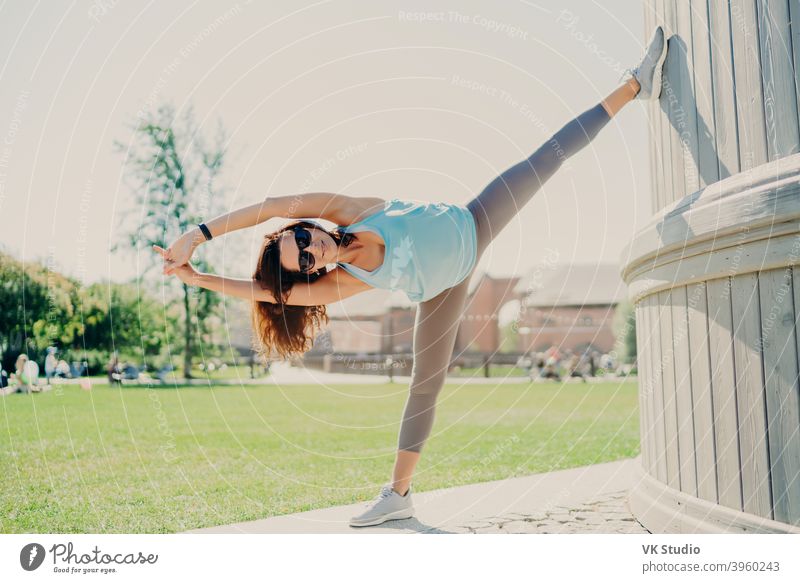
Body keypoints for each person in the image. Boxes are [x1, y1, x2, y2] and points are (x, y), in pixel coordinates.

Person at [153, 26, 668, 527]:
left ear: (310, 227)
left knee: (546, 158)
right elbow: (272, 292)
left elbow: (269, 208)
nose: (311, 251)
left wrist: (198, 235)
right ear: (314, 272)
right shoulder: (345, 279)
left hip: (476, 221)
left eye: (303, 240)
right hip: (444, 289)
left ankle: (635, 84)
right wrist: (201, 282)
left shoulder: (350, 210)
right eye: (304, 262)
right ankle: (398, 495)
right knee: (426, 384)